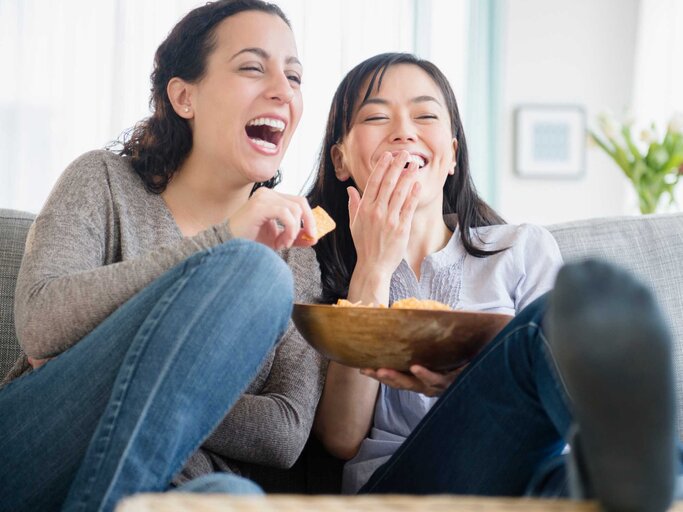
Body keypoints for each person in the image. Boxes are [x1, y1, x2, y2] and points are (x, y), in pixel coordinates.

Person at [308, 52, 678, 511]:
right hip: (401, 485)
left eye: (425, 115)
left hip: (529, 479)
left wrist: (470, 379)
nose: (404, 131)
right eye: (378, 116)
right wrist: (373, 269)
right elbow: (341, 438)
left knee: (586, 479)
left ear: (452, 156)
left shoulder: (520, 248)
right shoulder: (317, 262)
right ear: (341, 160)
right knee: (549, 320)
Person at [0, 1, 326, 511]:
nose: (282, 91)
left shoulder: (299, 255)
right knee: (256, 272)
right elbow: (41, 322)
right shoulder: (102, 181)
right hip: (36, 448)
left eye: (294, 76)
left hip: (178, 486)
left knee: (232, 498)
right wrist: (223, 241)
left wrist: (124, 362)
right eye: (251, 67)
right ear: (184, 96)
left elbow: (284, 433)